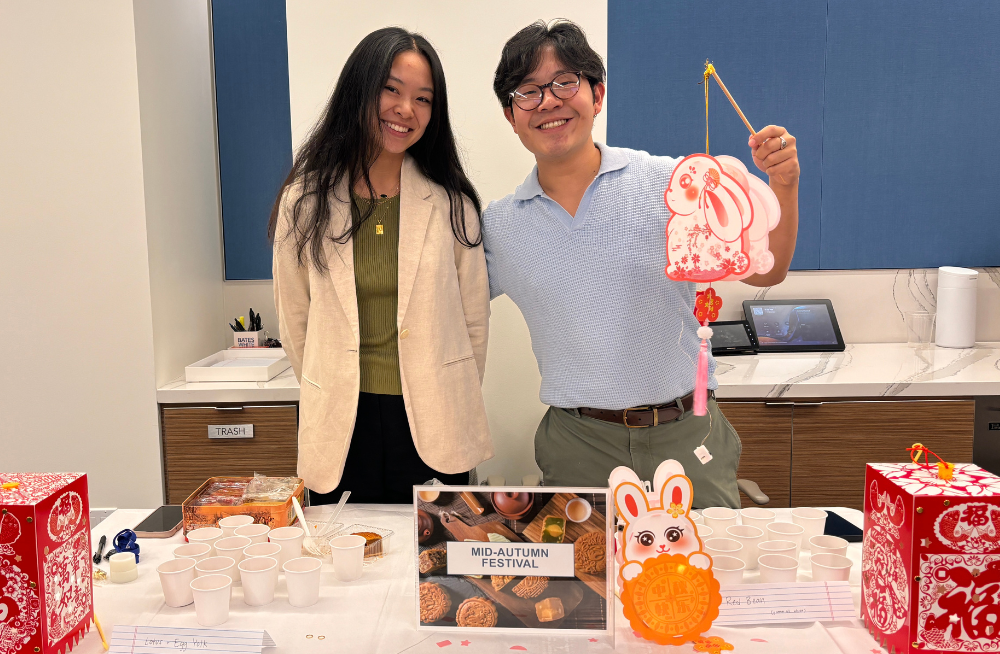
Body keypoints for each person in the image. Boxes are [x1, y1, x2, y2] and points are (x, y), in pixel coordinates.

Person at [484, 21, 800, 508]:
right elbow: (438, 304)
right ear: (510, 115)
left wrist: (784, 185)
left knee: (705, 576)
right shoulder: (499, 225)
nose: (547, 101)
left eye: (565, 82)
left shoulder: (671, 182)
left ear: (598, 94)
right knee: (588, 581)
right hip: (578, 444)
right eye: (527, 92)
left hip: (686, 432)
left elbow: (769, 270)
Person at [270, 27, 492, 504]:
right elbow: (296, 323)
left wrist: (445, 391)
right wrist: (329, 381)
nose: (406, 109)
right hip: (342, 424)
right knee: (347, 565)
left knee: (435, 571)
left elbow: (475, 322)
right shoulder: (304, 202)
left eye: (423, 98)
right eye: (391, 89)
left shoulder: (452, 204)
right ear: (359, 91)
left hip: (433, 420)